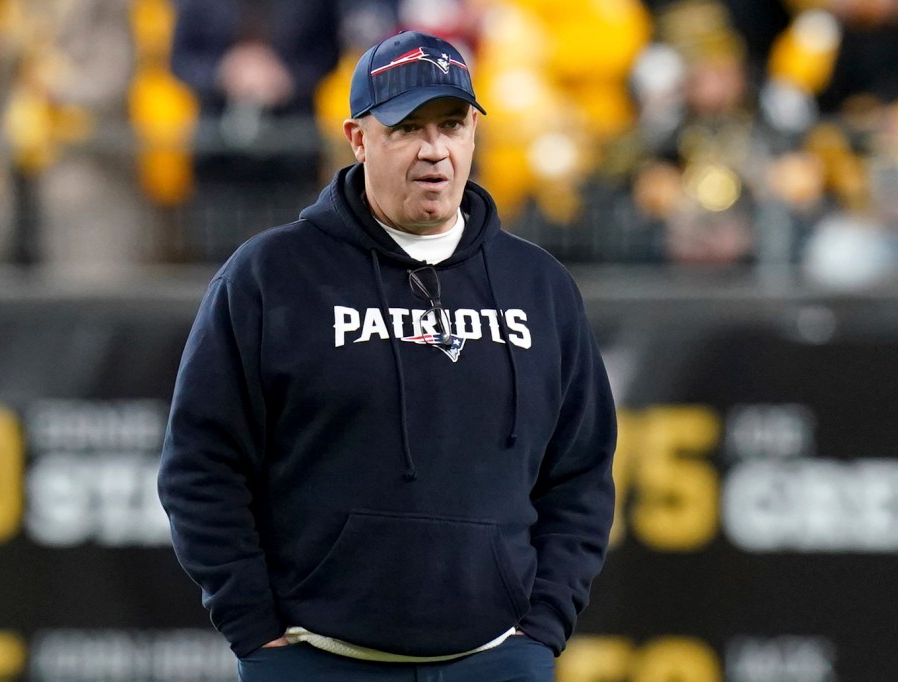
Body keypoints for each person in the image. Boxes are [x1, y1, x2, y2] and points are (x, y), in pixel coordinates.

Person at [158, 30, 617, 682]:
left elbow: (582, 470)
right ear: (357, 138)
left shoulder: (538, 286)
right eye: (408, 128)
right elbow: (200, 468)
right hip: (318, 661)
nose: (435, 150)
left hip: (498, 661)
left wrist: (542, 626)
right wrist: (254, 630)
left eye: (453, 125)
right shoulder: (271, 277)